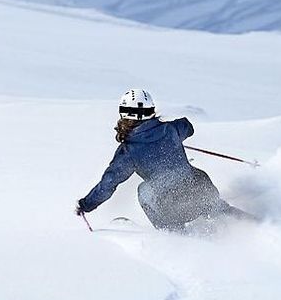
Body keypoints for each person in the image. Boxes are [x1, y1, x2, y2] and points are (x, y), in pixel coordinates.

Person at [76, 89, 251, 232]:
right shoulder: (170, 129)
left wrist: (86, 204)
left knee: (145, 190)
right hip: (200, 188)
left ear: (123, 114)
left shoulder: (128, 151)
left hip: (172, 206)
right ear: (151, 110)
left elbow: (108, 184)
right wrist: (170, 135)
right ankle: (255, 226)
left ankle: (173, 234)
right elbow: (187, 126)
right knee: (218, 209)